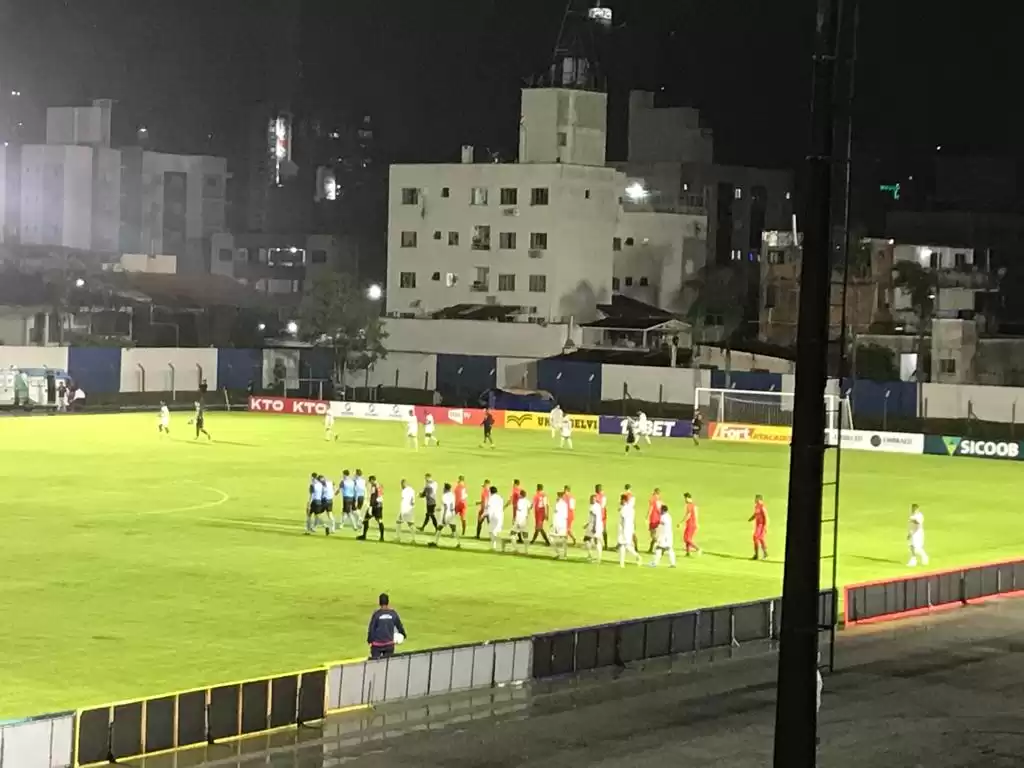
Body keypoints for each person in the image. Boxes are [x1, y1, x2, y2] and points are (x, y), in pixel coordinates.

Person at [367, 593, 407, 660]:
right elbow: (399, 626)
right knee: (387, 665)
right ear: (388, 602)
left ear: (379, 602)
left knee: (374, 665)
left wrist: (370, 640)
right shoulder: (393, 613)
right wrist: (403, 635)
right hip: (389, 644)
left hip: (377, 645)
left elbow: (371, 629)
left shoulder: (376, 614)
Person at [357, 475, 385, 541]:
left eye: (370, 481)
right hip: (380, 505)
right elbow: (381, 495)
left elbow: (373, 497)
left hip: (374, 506)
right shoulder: (380, 486)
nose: (370, 483)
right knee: (379, 521)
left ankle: (364, 535)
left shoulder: (373, 486)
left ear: (372, 480)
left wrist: (370, 507)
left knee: (366, 520)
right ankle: (382, 537)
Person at [617, 492, 642, 567]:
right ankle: (636, 557)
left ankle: (623, 563)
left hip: (624, 530)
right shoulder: (630, 508)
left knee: (623, 546)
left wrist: (624, 531)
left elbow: (624, 521)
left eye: (621, 500)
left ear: (624, 500)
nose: (620, 501)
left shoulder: (624, 509)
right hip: (629, 529)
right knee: (625, 546)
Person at [434, 482, 461, 548]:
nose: (443, 489)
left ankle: (435, 542)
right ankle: (458, 543)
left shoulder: (444, 496)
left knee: (439, 528)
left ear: (446, 489)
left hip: (446, 514)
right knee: (453, 529)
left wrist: (443, 517)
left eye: (444, 488)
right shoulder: (452, 495)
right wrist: (439, 509)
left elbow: (446, 507)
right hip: (452, 514)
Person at [585, 494, 604, 563]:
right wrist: (587, 524)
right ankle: (593, 556)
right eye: (590, 499)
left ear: (595, 500)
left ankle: (597, 558)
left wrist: (594, 527)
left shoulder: (593, 507)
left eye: (592, 499)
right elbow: (593, 517)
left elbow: (595, 518)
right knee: (588, 539)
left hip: (595, 526)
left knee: (595, 541)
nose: (590, 500)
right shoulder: (597, 506)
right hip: (596, 525)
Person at [510, 489, 530, 554]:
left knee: (512, 534)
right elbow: (530, 507)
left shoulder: (519, 501)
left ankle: (516, 549)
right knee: (525, 535)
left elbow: (519, 511)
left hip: (519, 520)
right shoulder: (527, 501)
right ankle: (526, 551)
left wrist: (516, 520)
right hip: (525, 520)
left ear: (520, 495)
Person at [551, 491, 570, 560]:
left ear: (559, 496)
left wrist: (554, 523)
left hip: (558, 524)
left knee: (551, 538)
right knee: (564, 539)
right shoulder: (565, 504)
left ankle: (558, 553)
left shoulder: (558, 504)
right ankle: (565, 555)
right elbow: (566, 516)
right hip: (563, 524)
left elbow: (556, 514)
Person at [750, 494, 769, 560]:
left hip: (762, 525)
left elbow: (766, 517)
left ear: (760, 500)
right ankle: (763, 553)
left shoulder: (762, 507)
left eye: (756, 499)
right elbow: (756, 514)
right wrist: (751, 518)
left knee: (756, 537)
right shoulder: (757, 507)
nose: (755, 500)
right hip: (758, 525)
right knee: (760, 538)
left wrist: (765, 526)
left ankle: (758, 554)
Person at [486, 485, 505, 552]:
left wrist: (483, 516)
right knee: (493, 532)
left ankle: (500, 543)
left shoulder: (491, 498)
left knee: (492, 532)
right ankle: (493, 547)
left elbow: (488, 509)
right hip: (500, 517)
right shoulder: (500, 498)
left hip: (494, 517)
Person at [647, 488, 663, 553]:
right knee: (655, 535)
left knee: (653, 535)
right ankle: (650, 549)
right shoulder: (660, 501)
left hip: (653, 519)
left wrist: (647, 516)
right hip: (658, 520)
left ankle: (659, 547)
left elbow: (651, 508)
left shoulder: (652, 499)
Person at [595, 484, 608, 550]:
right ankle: (606, 545)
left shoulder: (596, 496)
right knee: (604, 530)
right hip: (603, 514)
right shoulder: (604, 496)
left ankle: (598, 544)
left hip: (599, 514)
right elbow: (604, 505)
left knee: (596, 529)